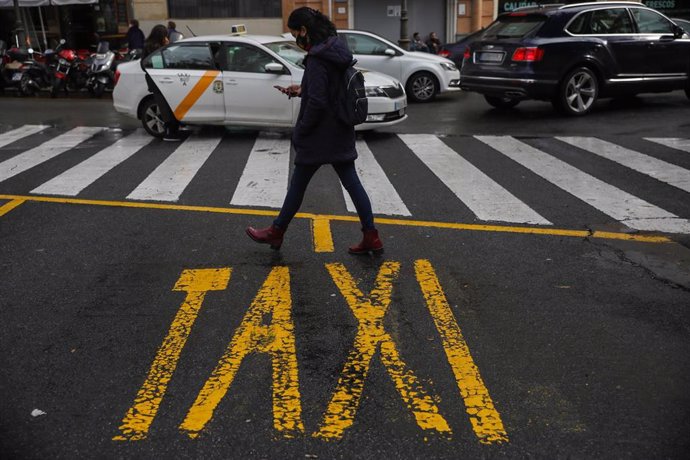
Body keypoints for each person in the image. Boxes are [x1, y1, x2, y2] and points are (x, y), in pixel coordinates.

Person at [246, 7, 383, 255]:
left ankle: (276, 231)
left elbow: (318, 101)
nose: (296, 39)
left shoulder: (318, 58)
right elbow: (328, 88)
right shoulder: (335, 49)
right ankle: (371, 236)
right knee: (352, 183)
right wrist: (302, 89)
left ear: (304, 30)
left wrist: (302, 130)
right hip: (340, 128)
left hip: (320, 133)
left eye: (294, 33)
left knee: (298, 184)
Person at [141, 24, 181, 141]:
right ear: (161, 36)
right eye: (165, 36)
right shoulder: (154, 48)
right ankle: (169, 132)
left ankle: (172, 128)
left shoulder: (150, 46)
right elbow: (159, 65)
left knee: (165, 105)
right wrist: (165, 47)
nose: (167, 38)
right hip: (159, 81)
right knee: (164, 106)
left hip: (157, 80)